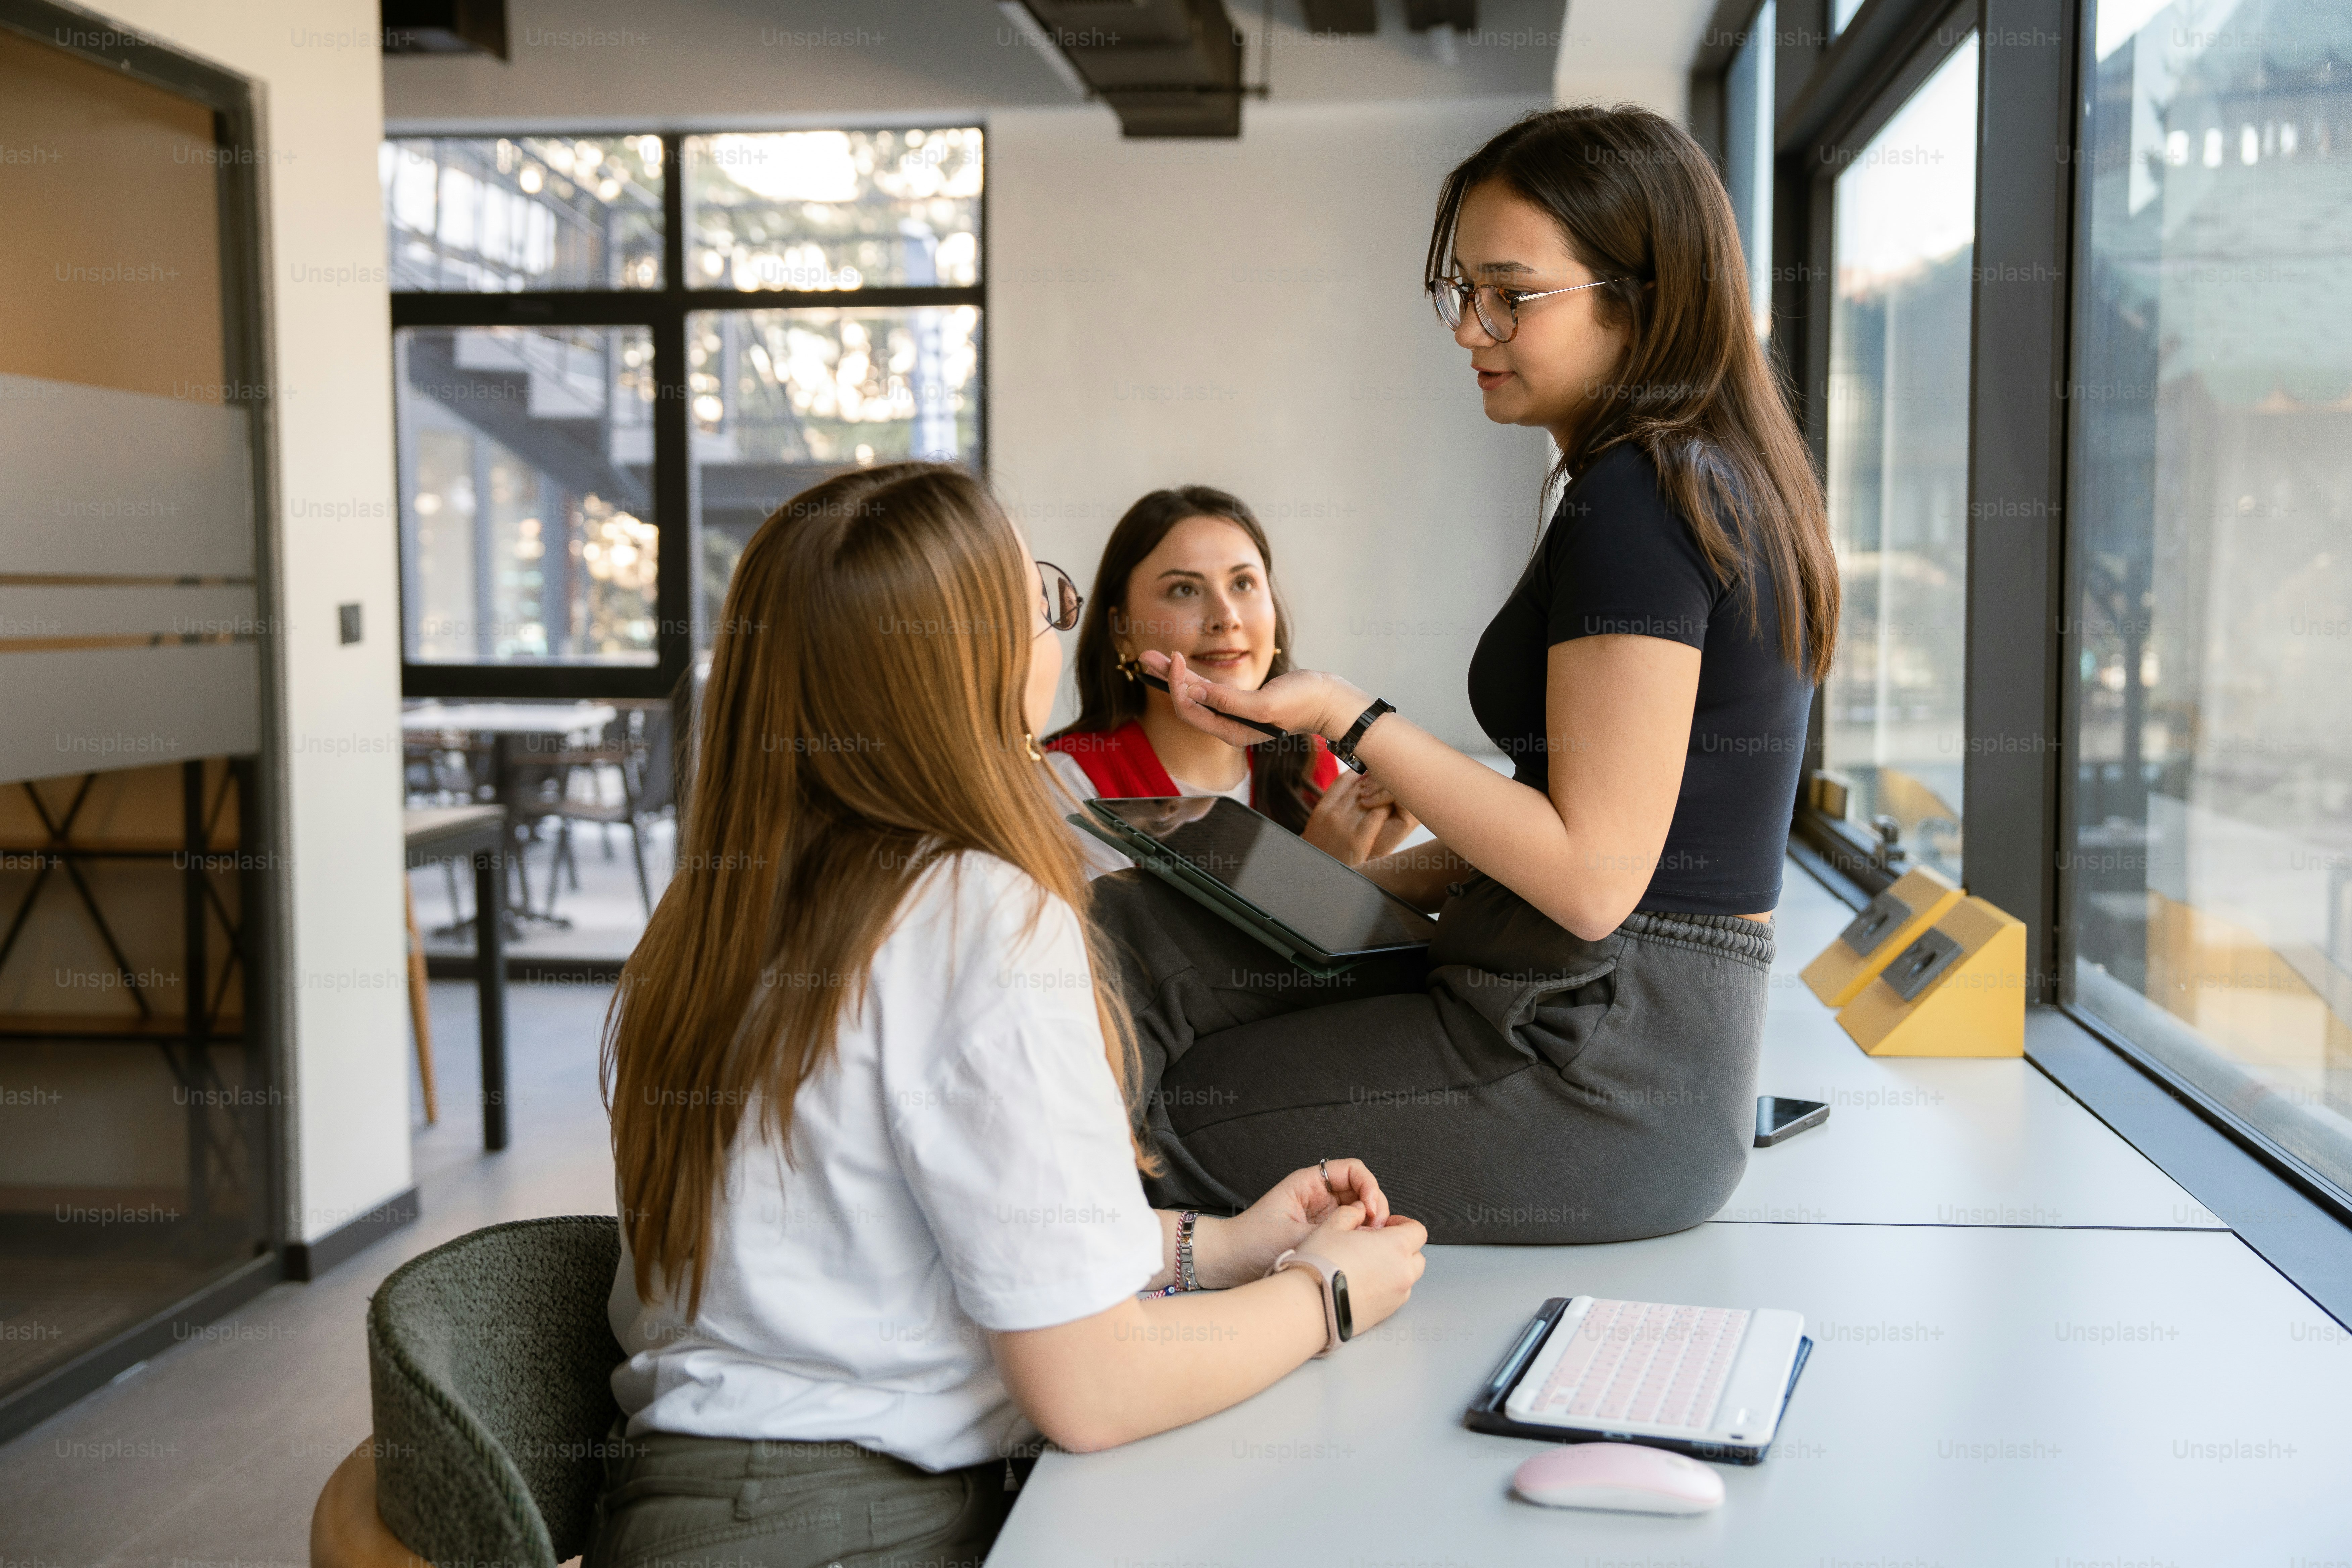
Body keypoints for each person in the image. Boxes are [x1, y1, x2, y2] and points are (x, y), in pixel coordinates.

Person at [589, 462, 1427, 1568]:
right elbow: (1091, 1386)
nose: (1054, 621)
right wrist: (1326, 1295)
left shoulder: (720, 908)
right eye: (1040, 598)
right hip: (845, 1522)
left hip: (706, 1499)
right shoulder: (971, 907)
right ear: (965, 659)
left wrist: (1216, 1248)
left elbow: (898, 1249)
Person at [1091, 104, 1840, 1247]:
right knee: (1148, 933)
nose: (1469, 328)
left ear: (1636, 294)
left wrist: (1352, 713)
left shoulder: (1638, 499)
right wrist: (1354, 888)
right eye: (1461, 293)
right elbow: (1599, 831)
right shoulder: (1693, 475)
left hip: (1596, 1065)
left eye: (1510, 295)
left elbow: (1593, 878)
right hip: (1593, 1019)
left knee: (1170, 1095)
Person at [1042, 485, 1418, 874]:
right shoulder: (1068, 786)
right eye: (1184, 589)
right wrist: (1315, 874)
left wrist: (1368, 869)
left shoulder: (1315, 760)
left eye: (1243, 584)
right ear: (1121, 628)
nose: (1226, 616)